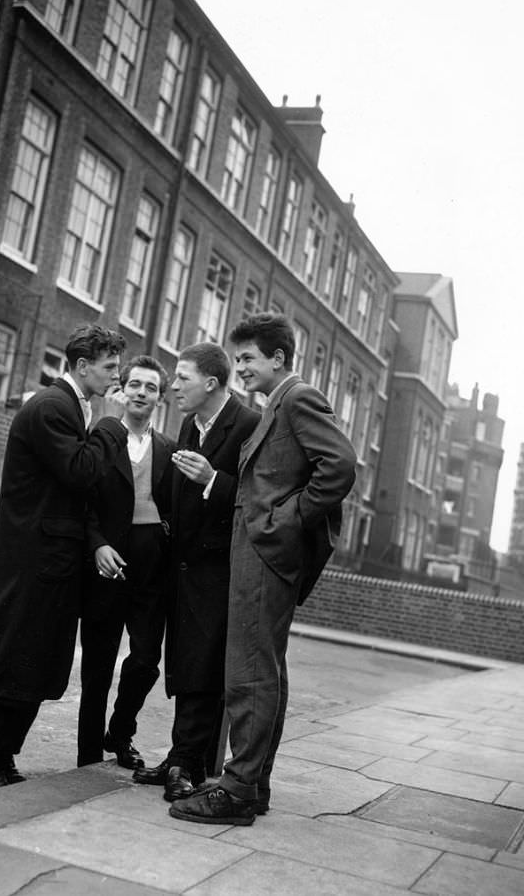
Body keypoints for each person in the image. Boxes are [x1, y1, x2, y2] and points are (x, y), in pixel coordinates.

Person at [170, 313, 357, 825]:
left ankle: (236, 789)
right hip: (260, 554)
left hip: (267, 554)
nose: (241, 368)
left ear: (278, 358)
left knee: (250, 672)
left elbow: (339, 466)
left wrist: (285, 520)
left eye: (248, 358)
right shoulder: (278, 402)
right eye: (238, 359)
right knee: (263, 668)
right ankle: (253, 784)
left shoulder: (297, 398)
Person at [0, 323, 128, 795]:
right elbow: (80, 472)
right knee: (15, 662)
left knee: (33, 663)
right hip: (32, 563)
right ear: (80, 366)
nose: (116, 377)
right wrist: (112, 424)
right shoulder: (53, 407)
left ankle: (3, 759)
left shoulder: (71, 406)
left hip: (48, 565)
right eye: (109, 367)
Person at [133, 342, 259, 801]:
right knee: (185, 663)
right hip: (183, 570)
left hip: (218, 573)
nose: (173, 386)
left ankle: (188, 763)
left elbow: (257, 500)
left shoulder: (248, 426)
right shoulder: (190, 423)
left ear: (210, 382)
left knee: (204, 668)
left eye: (181, 377)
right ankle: (180, 756)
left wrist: (212, 480)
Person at [77, 355, 175, 770]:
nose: (141, 393)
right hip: (107, 561)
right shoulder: (103, 435)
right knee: (97, 664)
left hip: (151, 563)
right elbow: (82, 499)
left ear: (159, 398)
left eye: (151, 388)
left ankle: (120, 734)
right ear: (122, 391)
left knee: (145, 659)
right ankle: (87, 754)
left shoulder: (169, 448)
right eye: (135, 384)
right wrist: (96, 544)